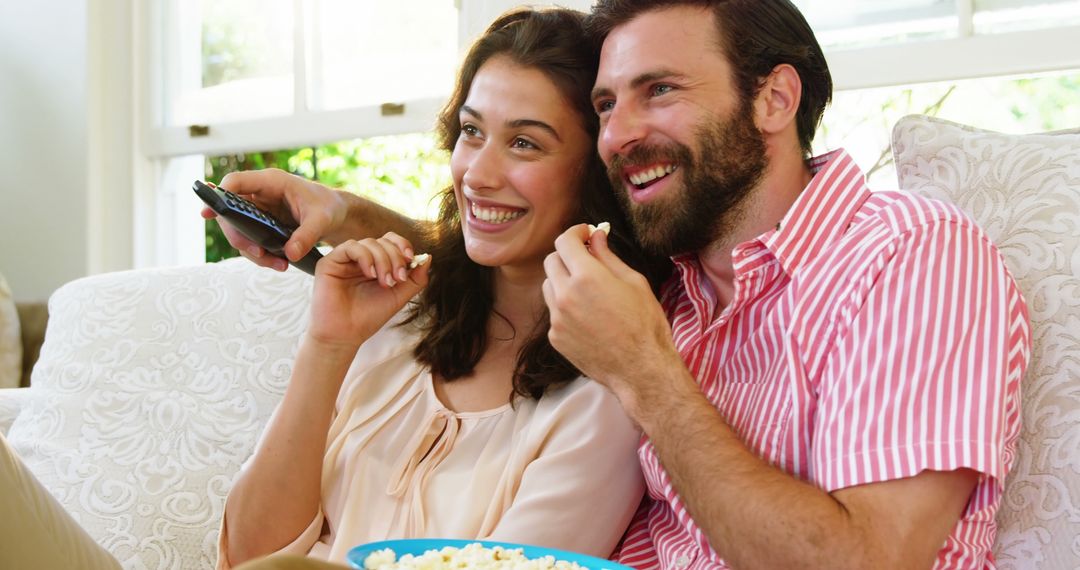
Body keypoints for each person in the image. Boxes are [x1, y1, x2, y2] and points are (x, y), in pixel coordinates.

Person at [215, 1, 1031, 569]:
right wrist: (343, 216)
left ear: (776, 97)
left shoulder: (911, 256)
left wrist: (643, 370)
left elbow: (868, 562)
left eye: (661, 90)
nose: (623, 133)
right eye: (607, 104)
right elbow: (506, 251)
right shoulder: (672, 276)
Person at [0, 7, 667, 570]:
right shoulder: (404, 329)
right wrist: (329, 344)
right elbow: (245, 551)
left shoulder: (604, 396)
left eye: (525, 144)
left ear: (592, 172)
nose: (479, 174)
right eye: (470, 131)